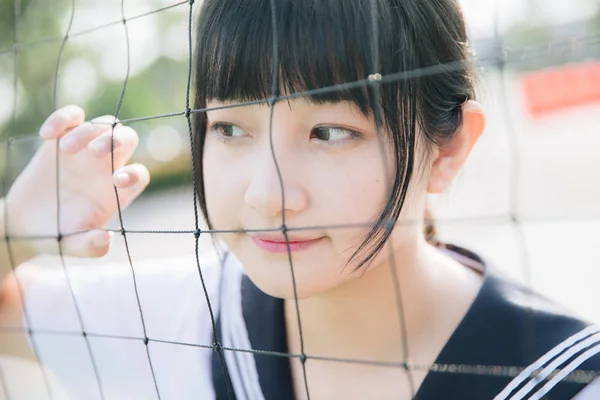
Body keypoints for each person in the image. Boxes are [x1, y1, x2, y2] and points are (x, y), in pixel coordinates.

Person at [0, 0, 599, 399]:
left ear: (449, 149)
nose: (268, 195)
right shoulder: (186, 314)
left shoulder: (566, 378)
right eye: (229, 129)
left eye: (329, 132)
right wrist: (14, 232)